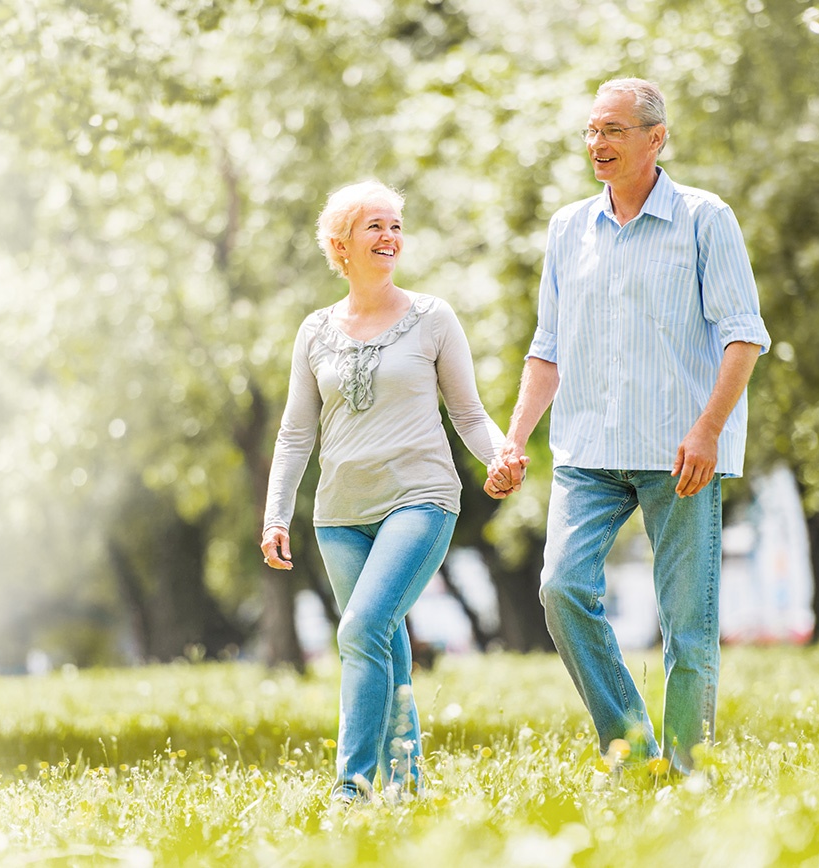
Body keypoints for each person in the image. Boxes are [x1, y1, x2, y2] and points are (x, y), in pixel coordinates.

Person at [485, 78, 771, 775]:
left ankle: (686, 770)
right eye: (591, 131)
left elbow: (744, 337)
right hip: (587, 450)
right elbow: (548, 346)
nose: (598, 144)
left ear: (655, 137)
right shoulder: (567, 229)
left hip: (679, 452)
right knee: (560, 588)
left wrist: (707, 430)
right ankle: (635, 748)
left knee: (688, 629)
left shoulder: (706, 219)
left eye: (614, 130)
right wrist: (515, 438)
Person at [261, 180, 512, 803]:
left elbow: (469, 414)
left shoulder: (433, 318)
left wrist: (502, 454)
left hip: (420, 498)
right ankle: (404, 783)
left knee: (362, 626)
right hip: (339, 515)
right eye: (376, 225)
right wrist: (276, 515)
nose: (390, 237)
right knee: (383, 639)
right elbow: (295, 434)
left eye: (396, 225)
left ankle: (353, 786)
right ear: (340, 243)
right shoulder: (315, 331)